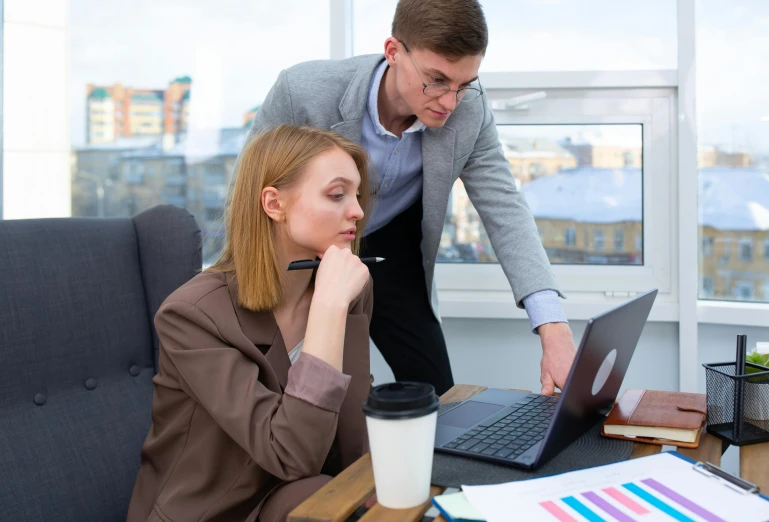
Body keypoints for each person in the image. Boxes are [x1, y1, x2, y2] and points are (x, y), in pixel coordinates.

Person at [246, 0, 577, 396]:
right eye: (437, 80)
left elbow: (504, 206)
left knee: (438, 394)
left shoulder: (469, 109)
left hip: (389, 248)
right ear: (393, 52)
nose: (450, 102)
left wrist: (553, 328)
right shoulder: (302, 92)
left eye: (464, 84)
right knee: (282, 384)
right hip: (296, 247)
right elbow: (249, 198)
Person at [126, 124, 375, 522]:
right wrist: (328, 310)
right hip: (212, 512)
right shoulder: (192, 315)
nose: (358, 211)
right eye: (336, 194)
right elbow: (292, 454)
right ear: (274, 204)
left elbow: (350, 414)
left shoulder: (345, 287)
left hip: (298, 499)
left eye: (358, 195)